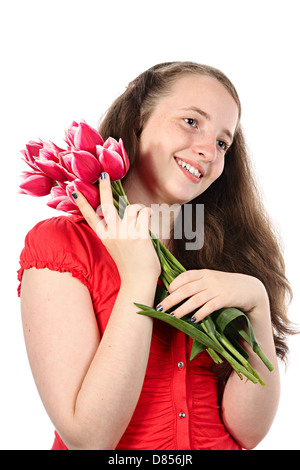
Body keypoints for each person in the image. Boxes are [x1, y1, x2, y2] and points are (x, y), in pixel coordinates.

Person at [18, 61, 293, 450]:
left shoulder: (222, 250)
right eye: (191, 122)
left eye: (222, 143)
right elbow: (88, 439)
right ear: (138, 122)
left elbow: (247, 433)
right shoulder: (62, 246)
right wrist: (137, 279)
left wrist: (257, 304)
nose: (207, 151)